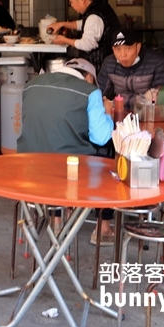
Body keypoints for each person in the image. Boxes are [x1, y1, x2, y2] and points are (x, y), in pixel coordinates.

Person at [18, 57, 115, 245]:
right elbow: (101, 136)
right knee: (106, 152)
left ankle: (58, 219)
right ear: (88, 77)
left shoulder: (31, 85)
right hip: (67, 174)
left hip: (27, 170)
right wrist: (108, 113)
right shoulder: (90, 91)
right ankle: (103, 228)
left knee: (54, 146)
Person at [47, 0, 121, 72]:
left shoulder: (94, 16)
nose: (71, 5)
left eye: (71, 1)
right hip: (108, 63)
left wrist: (65, 40)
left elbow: (87, 44)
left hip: (100, 67)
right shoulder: (101, 7)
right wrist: (61, 24)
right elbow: (85, 24)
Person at [97, 29, 164, 110]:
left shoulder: (156, 62)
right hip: (119, 114)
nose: (123, 55)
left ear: (138, 47)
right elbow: (99, 92)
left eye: (128, 49)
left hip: (147, 115)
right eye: (118, 49)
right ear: (113, 50)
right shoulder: (109, 63)